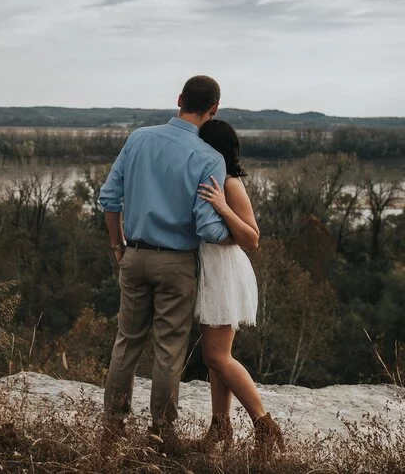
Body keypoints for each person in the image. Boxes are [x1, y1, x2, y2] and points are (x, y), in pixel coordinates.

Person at [98, 75, 229, 450]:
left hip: (135, 255)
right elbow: (207, 226)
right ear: (214, 109)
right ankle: (160, 431)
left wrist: (118, 247)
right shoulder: (210, 159)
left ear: (179, 99)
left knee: (127, 343)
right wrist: (235, 233)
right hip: (177, 265)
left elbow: (109, 198)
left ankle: (113, 427)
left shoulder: (139, 138)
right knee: (169, 350)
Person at [194, 119, 284, 460]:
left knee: (217, 355)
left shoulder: (230, 184)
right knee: (213, 357)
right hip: (209, 269)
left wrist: (222, 207)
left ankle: (264, 424)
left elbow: (252, 239)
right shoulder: (212, 178)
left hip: (224, 272)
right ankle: (220, 426)